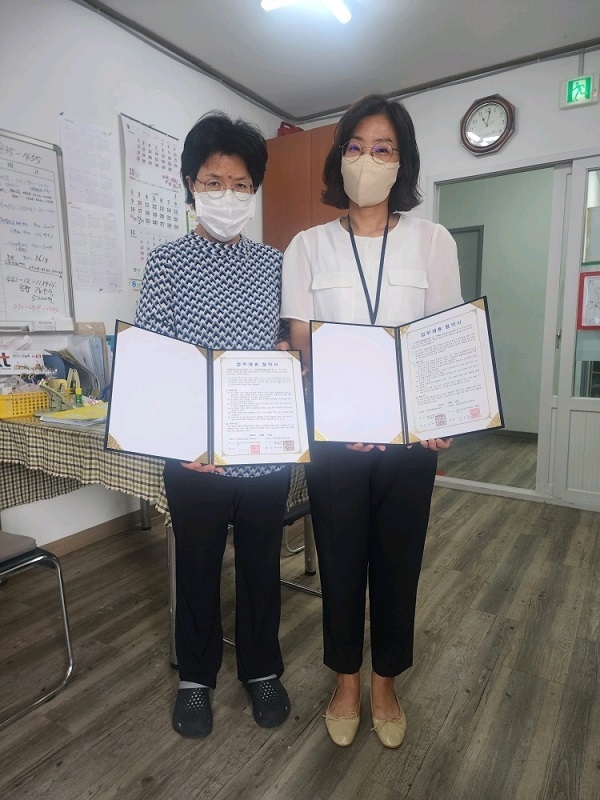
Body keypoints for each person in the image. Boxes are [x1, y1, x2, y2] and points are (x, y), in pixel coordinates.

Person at [280, 94, 463, 749]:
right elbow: (302, 342)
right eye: (356, 146)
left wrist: (441, 412)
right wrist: (346, 403)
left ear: (402, 160)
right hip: (336, 436)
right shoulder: (307, 246)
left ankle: (385, 682)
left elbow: (443, 338)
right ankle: (346, 681)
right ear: (339, 158)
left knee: (397, 562)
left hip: (409, 439)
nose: (368, 159)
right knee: (338, 561)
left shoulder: (433, 241)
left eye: (383, 148)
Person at [135, 111, 291, 738]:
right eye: (214, 182)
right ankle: (195, 678)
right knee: (196, 566)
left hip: (264, 451)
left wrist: (291, 360)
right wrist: (176, 439)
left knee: (260, 566)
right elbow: (152, 360)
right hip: (192, 455)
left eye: (241, 184)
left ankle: (262, 668)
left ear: (254, 190)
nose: (228, 194)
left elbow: (290, 349)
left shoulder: (275, 265)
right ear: (190, 185)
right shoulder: (166, 263)